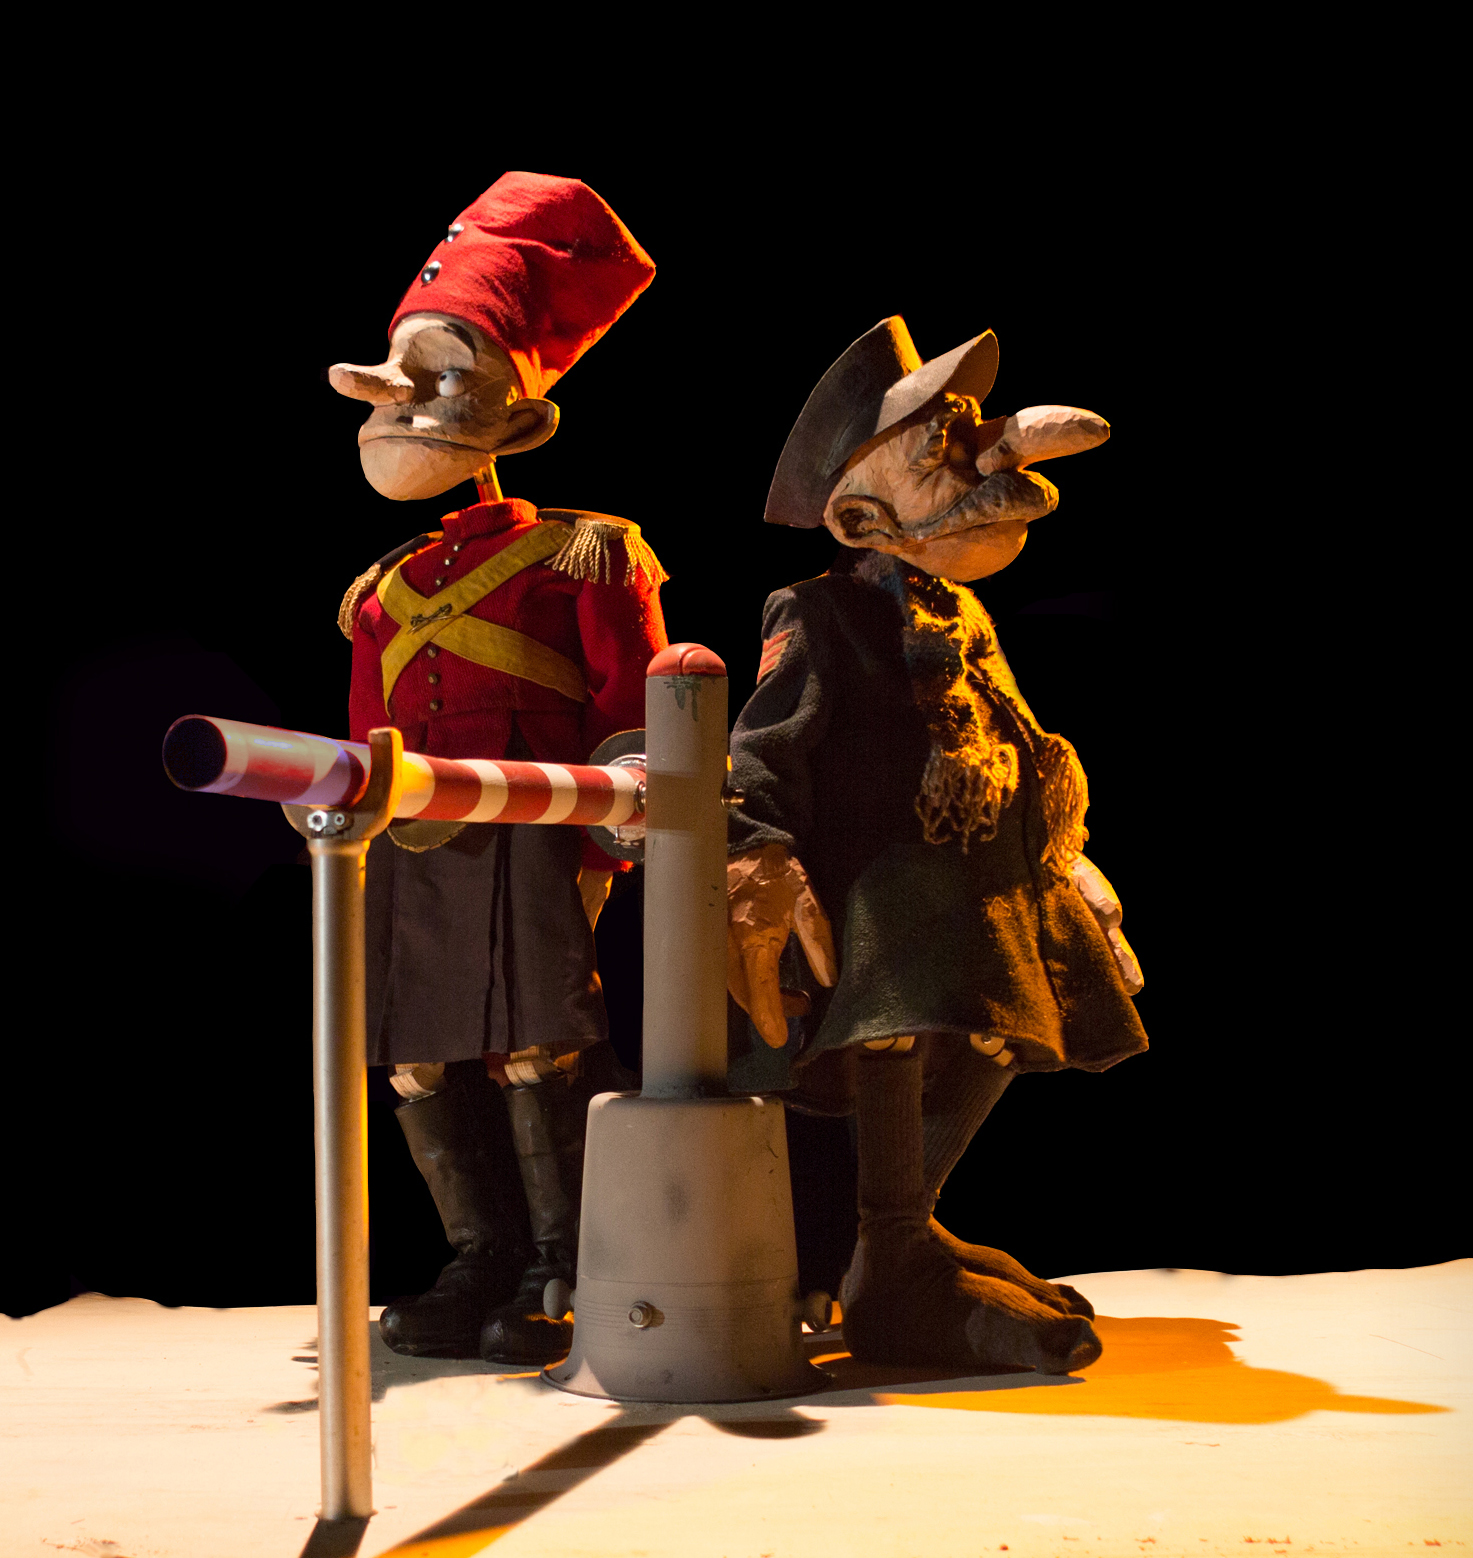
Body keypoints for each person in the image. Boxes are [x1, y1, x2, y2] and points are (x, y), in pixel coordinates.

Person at [725, 317, 1147, 1372]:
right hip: (888, 893)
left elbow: (1015, 735)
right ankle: (896, 1265)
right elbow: (766, 742)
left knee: (1001, 1032)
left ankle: (902, 1240)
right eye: (937, 452)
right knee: (901, 1037)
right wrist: (757, 847)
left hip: (987, 883)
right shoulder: (816, 610)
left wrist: (1066, 854)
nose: (973, 465)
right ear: (860, 513)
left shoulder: (961, 613)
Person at [330, 172, 667, 1364]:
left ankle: (561, 1263)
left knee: (536, 1044)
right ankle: (478, 1256)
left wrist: (607, 855)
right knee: (421, 1060)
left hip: (536, 836)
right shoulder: (381, 589)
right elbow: (366, 740)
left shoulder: (586, 551)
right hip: (418, 846)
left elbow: (634, 718)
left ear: (517, 425)